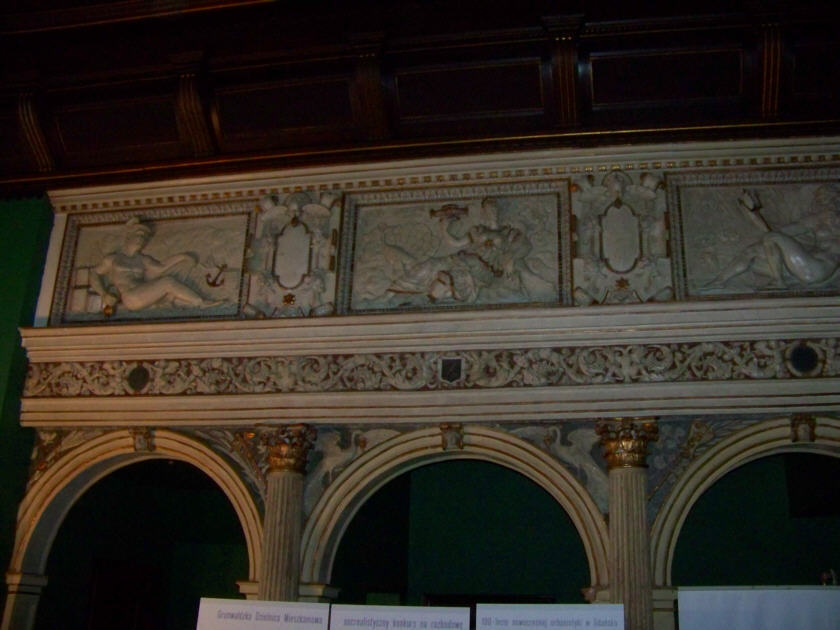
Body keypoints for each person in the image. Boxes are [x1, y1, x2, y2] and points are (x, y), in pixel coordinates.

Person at [707, 186, 840, 288]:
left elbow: (773, 235)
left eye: (827, 198)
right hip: (803, 267)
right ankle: (719, 281)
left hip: (818, 270)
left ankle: (779, 282)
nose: (822, 203)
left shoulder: (827, 219)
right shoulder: (815, 220)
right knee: (752, 252)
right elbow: (778, 233)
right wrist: (752, 212)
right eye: (820, 199)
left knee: (771, 238)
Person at [89, 218, 221, 315]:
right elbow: (94, 273)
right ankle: (200, 302)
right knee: (167, 282)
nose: (141, 239)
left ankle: (195, 303)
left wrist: (183, 256)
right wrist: (103, 294)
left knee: (171, 294)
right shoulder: (113, 259)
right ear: (129, 236)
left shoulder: (142, 259)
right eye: (139, 235)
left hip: (142, 293)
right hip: (130, 297)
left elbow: (161, 267)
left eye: (144, 237)